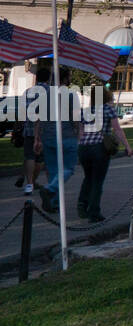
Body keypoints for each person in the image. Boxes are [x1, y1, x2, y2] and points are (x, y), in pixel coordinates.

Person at [31, 64, 82, 216]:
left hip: (47, 137)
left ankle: (53, 203)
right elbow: (76, 118)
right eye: (69, 76)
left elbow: (37, 119)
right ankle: (49, 190)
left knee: (54, 171)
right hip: (66, 136)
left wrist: (37, 138)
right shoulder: (71, 95)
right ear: (65, 79)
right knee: (68, 169)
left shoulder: (43, 95)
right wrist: (79, 135)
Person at [77, 87, 132, 222]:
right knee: (97, 180)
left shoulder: (85, 111)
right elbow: (117, 129)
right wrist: (127, 146)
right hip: (99, 147)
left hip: (84, 148)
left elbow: (80, 132)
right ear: (106, 96)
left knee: (88, 177)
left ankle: (82, 203)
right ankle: (94, 212)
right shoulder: (108, 109)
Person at [19, 66, 49, 196]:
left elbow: (21, 111)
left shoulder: (27, 91)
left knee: (29, 156)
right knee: (41, 159)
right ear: (48, 78)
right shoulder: (50, 92)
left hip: (29, 128)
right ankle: (34, 181)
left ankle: (29, 184)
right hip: (45, 130)